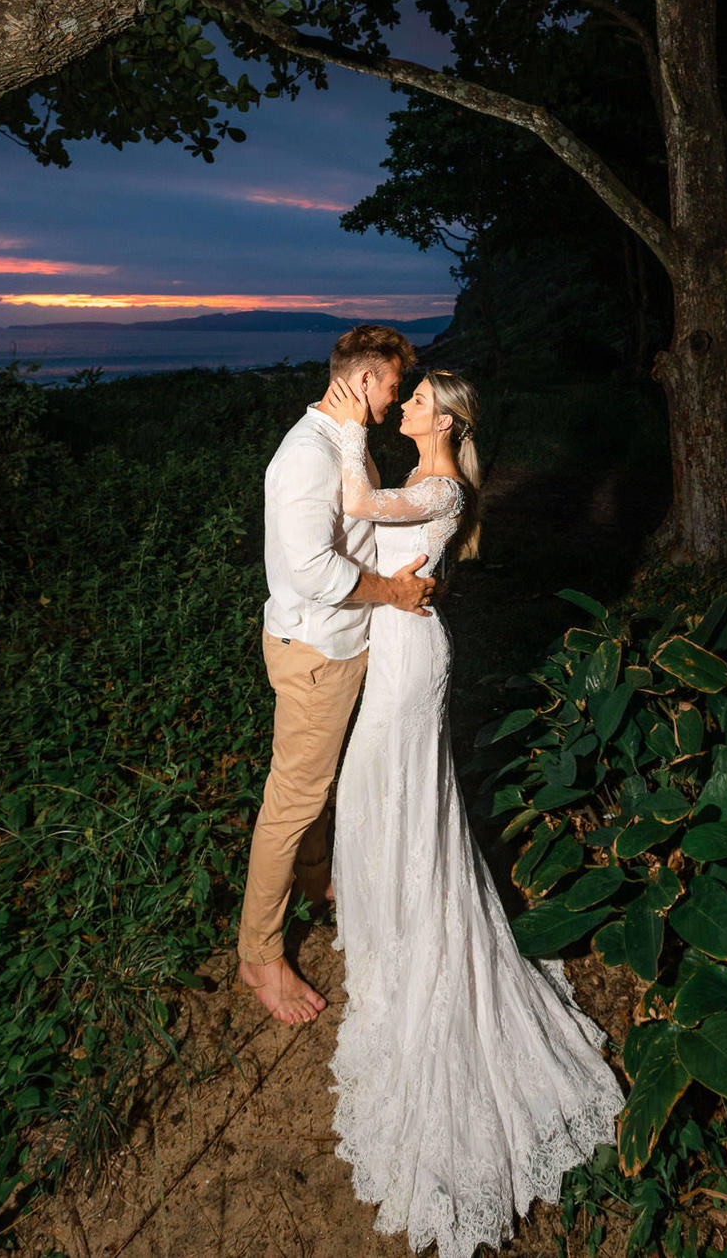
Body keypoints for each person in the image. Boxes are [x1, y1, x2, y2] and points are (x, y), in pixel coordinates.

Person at [322, 367, 624, 1258]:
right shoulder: (427, 480)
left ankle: (421, 936)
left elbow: (359, 504)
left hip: (412, 658)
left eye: (417, 399)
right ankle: (390, 923)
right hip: (399, 644)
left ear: (447, 421)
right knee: (376, 789)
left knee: (400, 791)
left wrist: (346, 426)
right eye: (407, 396)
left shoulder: (442, 486)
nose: (406, 403)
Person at [236, 324, 436, 1025]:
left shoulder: (344, 441)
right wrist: (394, 592)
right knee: (292, 800)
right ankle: (259, 954)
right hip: (316, 652)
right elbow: (315, 573)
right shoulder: (306, 455)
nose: (396, 398)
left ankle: (316, 883)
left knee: (317, 787)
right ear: (362, 378)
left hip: (340, 645)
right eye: (392, 384)